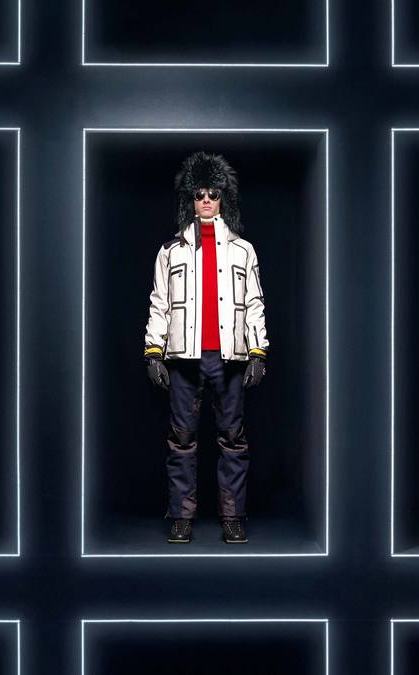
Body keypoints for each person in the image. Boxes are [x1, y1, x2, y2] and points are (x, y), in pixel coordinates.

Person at [144, 151, 269, 544]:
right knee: (181, 440)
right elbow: (160, 302)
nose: (206, 201)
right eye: (199, 194)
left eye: (213, 193)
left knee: (233, 440)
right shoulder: (170, 251)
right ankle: (181, 517)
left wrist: (258, 351)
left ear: (224, 197)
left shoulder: (243, 250)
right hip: (184, 359)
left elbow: (254, 302)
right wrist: (153, 351)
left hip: (229, 359)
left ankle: (232, 516)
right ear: (190, 199)